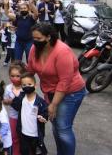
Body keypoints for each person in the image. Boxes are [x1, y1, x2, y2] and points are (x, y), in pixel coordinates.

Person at [27, 23, 86, 155]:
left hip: (71, 92)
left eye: (38, 39)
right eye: (33, 38)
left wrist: (53, 104)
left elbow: (65, 81)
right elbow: (30, 70)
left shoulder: (62, 51)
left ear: (48, 37)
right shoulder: (34, 49)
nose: (35, 42)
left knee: (63, 128)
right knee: (56, 127)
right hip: (50, 92)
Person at [10, 72, 49, 155]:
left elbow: (45, 112)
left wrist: (43, 118)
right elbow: (15, 106)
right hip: (23, 133)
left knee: (38, 152)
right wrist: (16, 96)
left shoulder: (40, 102)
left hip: (36, 135)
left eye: (29, 84)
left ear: (35, 85)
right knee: (24, 151)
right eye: (24, 85)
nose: (26, 86)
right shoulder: (22, 98)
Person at [3, 62, 27, 155]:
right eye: (12, 76)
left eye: (18, 76)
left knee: (25, 138)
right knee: (14, 138)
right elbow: (4, 101)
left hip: (25, 118)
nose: (15, 78)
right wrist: (7, 101)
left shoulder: (25, 87)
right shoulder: (8, 88)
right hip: (13, 117)